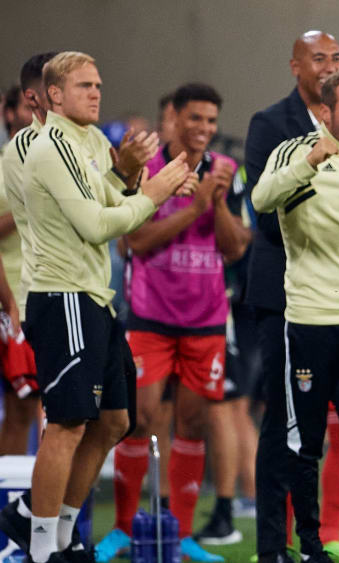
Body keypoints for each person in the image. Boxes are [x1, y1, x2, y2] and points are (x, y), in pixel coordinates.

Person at [3, 51, 191, 563]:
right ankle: (44, 547)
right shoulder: (43, 146)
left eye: (99, 84)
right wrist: (152, 192)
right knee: (65, 423)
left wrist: (130, 178)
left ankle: (47, 525)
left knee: (114, 421)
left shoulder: (87, 141)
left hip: (94, 295)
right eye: (84, 85)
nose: (96, 93)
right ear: (52, 96)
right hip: (60, 295)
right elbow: (96, 225)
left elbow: (109, 201)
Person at [95, 82, 249, 563]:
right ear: (174, 118)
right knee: (138, 418)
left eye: (210, 121)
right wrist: (197, 207)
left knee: (194, 422)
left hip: (205, 321)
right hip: (151, 317)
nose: (203, 129)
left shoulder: (225, 173)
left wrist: (217, 203)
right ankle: (122, 529)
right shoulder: (147, 170)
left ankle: (179, 535)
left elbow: (236, 247)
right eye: (195, 119)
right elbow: (137, 242)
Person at [251, 67, 339, 563]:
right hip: (311, 322)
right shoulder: (295, 151)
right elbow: (261, 198)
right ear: (325, 112)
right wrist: (311, 160)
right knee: (304, 445)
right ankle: (309, 545)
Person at [244, 30, 339, 563]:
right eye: (319, 59)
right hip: (283, 297)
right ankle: (273, 545)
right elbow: (265, 212)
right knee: (282, 427)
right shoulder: (270, 125)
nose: (330, 66)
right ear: (296, 67)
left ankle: (326, 535)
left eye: (337, 57)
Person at [0, 52, 58, 457]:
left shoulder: (71, 149)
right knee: (22, 408)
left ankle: (46, 508)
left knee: (58, 408)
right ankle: (11, 502)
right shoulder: (9, 161)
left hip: (58, 292)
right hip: (14, 298)